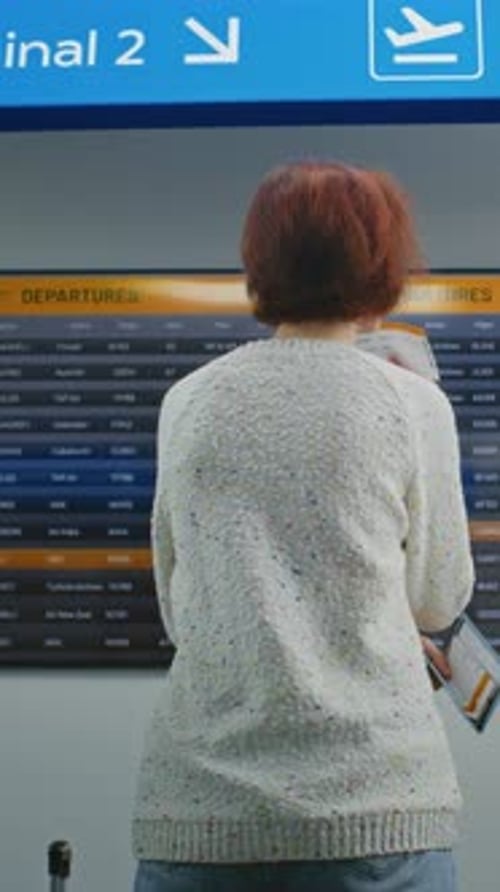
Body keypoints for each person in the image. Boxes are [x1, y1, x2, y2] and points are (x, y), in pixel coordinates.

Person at [132, 162, 474, 892]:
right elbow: (439, 597)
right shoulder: (412, 405)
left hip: (201, 815)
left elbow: (177, 609)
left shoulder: (187, 402)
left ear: (259, 264)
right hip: (378, 812)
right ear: (383, 267)